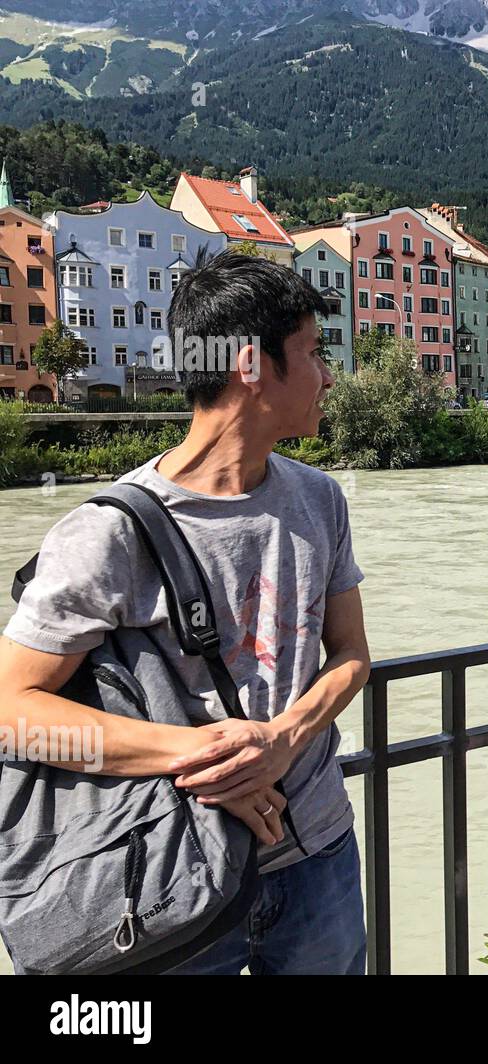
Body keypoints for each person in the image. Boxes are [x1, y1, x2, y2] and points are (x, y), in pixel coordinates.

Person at [0, 249, 371, 975]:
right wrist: (203, 757)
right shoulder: (108, 532)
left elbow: (351, 655)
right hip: (171, 873)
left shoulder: (320, 498)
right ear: (249, 366)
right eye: (313, 353)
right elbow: (15, 710)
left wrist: (285, 738)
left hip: (319, 856)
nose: (329, 377)